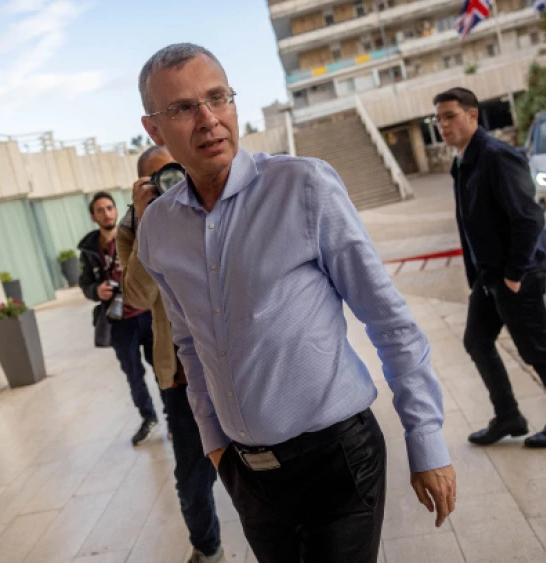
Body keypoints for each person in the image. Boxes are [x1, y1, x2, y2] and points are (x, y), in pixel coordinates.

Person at [134, 43, 456, 563]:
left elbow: (387, 318)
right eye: (184, 108)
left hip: (338, 463)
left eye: (218, 98)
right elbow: (188, 344)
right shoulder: (158, 230)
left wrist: (426, 438)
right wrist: (215, 446)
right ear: (154, 130)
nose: (209, 120)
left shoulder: (302, 187)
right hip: (249, 477)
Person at [433, 87, 546, 448]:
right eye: (438, 118)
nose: (442, 124)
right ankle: (508, 416)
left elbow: (529, 218)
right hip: (490, 276)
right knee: (477, 340)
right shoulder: (464, 159)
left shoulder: (497, 156)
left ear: (473, 116)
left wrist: (515, 274)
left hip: (518, 273)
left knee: (538, 351)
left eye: (450, 116)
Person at [115, 145, 224, 563]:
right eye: (157, 177)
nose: (169, 182)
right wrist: (147, 222)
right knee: (192, 481)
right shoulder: (132, 227)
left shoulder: (210, 205)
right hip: (181, 373)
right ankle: (209, 549)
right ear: (141, 186)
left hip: (232, 362)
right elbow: (138, 294)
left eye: (173, 172)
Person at [78, 192, 159, 446]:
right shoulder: (89, 249)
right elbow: (85, 283)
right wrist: (95, 291)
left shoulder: (131, 233)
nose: (106, 213)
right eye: (100, 210)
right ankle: (149, 418)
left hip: (147, 313)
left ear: (116, 210)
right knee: (133, 373)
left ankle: (172, 418)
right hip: (118, 320)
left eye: (110, 208)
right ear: (93, 216)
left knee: (163, 369)